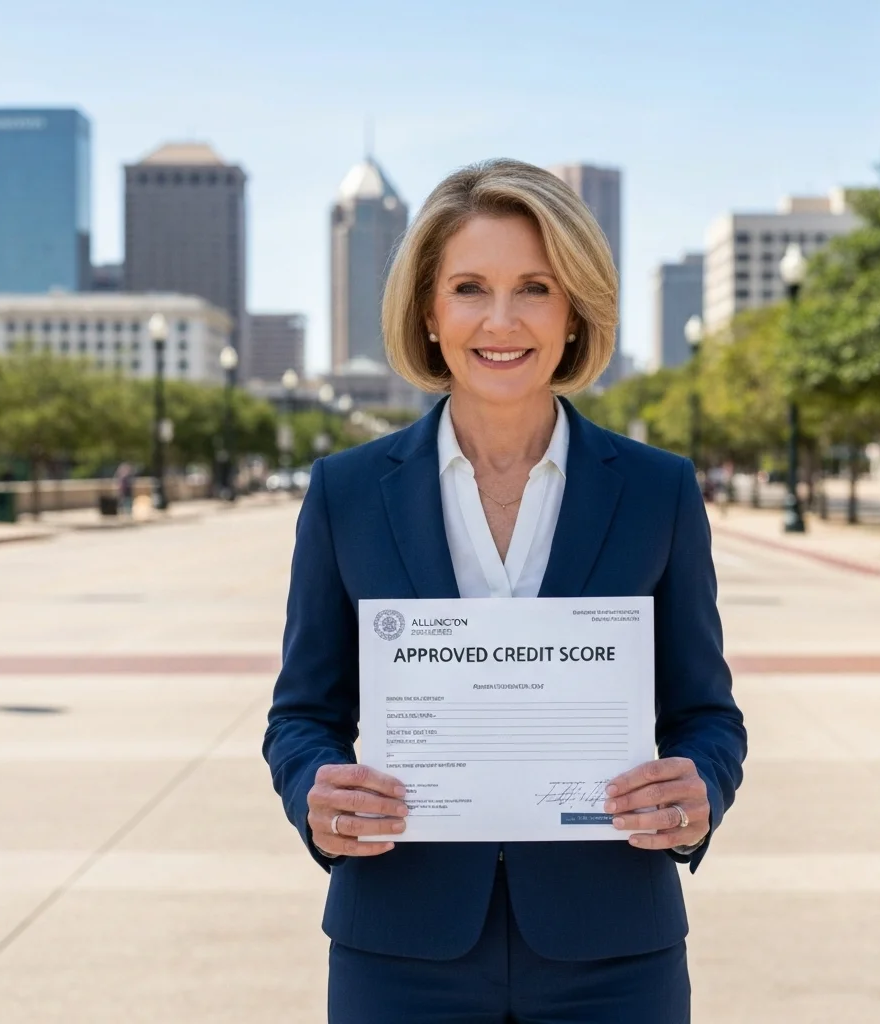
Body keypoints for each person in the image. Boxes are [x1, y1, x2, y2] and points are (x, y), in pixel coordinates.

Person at [264, 159, 746, 1023]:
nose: (501, 320)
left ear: (573, 314)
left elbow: (707, 714)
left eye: (534, 287)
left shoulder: (656, 490)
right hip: (400, 944)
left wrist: (698, 786)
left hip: (612, 949)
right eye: (469, 287)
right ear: (429, 310)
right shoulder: (345, 491)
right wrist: (315, 788)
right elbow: (302, 714)